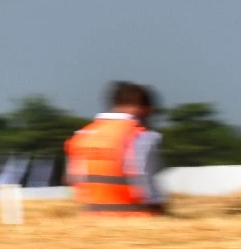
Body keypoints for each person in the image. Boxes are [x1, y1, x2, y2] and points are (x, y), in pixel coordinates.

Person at [65, 82, 166, 215]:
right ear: (143, 108)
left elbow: (72, 180)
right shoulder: (141, 136)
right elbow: (146, 187)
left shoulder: (82, 135)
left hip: (91, 222)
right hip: (137, 221)